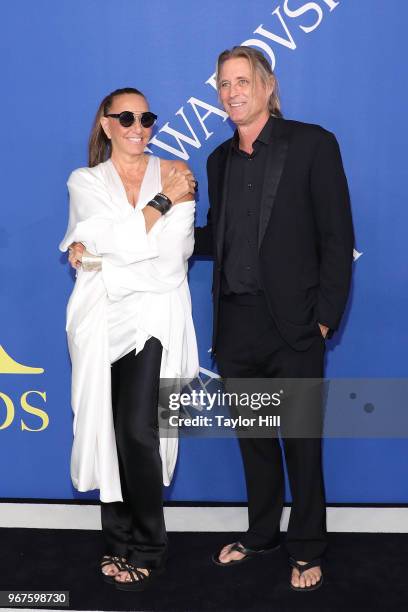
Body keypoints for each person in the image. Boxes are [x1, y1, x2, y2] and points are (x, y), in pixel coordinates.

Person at [195, 47, 354, 591]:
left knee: (302, 444)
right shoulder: (217, 161)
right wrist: (150, 224)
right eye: (223, 84)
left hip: (295, 325)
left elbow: (337, 238)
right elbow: (215, 239)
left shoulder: (312, 143)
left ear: (267, 86)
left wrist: (325, 318)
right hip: (236, 325)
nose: (232, 91)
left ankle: (308, 547)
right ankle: (262, 533)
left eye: (242, 81)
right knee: (256, 442)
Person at [60, 87, 199, 591]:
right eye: (126, 117)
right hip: (99, 317)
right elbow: (106, 241)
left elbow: (173, 255)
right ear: (106, 123)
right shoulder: (86, 180)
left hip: (154, 314)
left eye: (146, 117)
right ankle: (116, 541)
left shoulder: (179, 170)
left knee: (139, 429)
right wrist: (160, 206)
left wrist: (106, 255)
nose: (138, 126)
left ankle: (150, 544)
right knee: (106, 426)